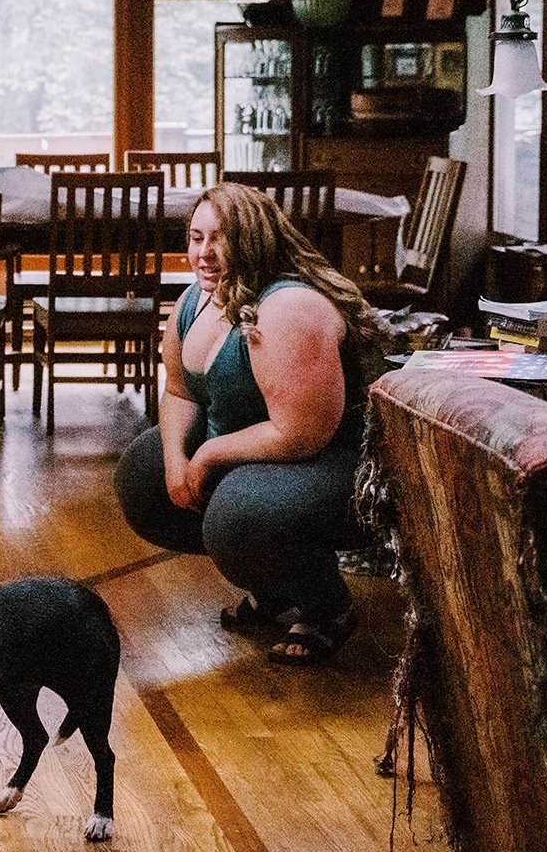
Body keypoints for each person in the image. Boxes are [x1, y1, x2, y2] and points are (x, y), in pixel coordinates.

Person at [114, 183, 387, 666]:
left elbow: (301, 433)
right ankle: (275, 590)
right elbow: (179, 392)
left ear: (254, 240)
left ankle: (327, 607)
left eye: (220, 238)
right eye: (196, 238)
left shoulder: (289, 307)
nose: (204, 253)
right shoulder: (195, 301)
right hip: (268, 459)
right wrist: (176, 458)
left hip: (343, 467)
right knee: (143, 474)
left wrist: (207, 454)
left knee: (238, 515)